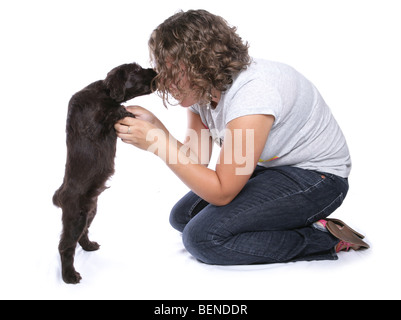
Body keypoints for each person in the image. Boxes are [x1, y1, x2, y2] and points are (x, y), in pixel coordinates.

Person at [114, 9, 369, 265]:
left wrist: (157, 143)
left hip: (319, 178)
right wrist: (156, 127)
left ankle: (325, 238)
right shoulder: (202, 91)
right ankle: (286, 219)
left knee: (203, 238)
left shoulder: (253, 94)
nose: (165, 82)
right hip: (275, 168)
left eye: (174, 72)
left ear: (203, 64)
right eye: (162, 70)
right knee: (182, 217)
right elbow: (195, 158)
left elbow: (222, 192)